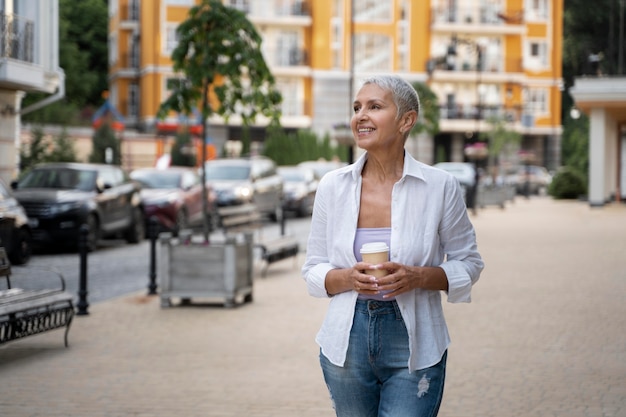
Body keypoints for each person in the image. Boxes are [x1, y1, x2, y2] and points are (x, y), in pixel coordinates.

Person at [302, 75, 484, 417]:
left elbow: (469, 263)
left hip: (416, 341)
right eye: (357, 108)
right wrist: (348, 279)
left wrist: (418, 277)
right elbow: (313, 268)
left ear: (406, 120)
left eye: (374, 106)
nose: (361, 115)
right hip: (347, 339)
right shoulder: (333, 187)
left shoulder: (440, 187)